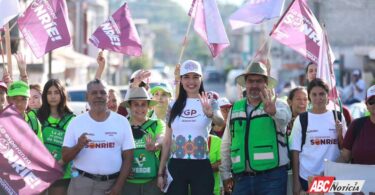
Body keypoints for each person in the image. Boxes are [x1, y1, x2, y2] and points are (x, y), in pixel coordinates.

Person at [220, 62, 291, 195]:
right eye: (250, 81)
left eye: (259, 81)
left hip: (272, 178)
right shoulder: (235, 108)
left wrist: (274, 112)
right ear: (245, 84)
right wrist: (225, 173)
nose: (254, 85)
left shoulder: (279, 104)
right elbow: (227, 143)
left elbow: (285, 121)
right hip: (241, 179)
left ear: (266, 84)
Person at [157, 60, 225, 194]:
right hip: (176, 164)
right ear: (181, 80)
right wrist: (160, 172)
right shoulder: (173, 105)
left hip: (201, 165)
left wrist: (211, 114)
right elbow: (167, 141)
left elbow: (221, 122)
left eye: (195, 77)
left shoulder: (210, 101)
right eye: (186, 77)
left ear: (201, 78)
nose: (191, 81)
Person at [62, 79, 135, 195]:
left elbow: (129, 157)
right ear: (87, 96)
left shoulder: (122, 122)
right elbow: (65, 158)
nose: (99, 96)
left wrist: (118, 187)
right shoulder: (76, 122)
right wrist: (78, 146)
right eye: (94, 93)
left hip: (111, 185)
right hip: (81, 183)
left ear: (107, 96)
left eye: (102, 92)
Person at [289, 79, 346, 194]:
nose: (318, 98)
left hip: (332, 176)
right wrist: (296, 183)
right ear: (309, 97)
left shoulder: (338, 117)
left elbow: (345, 150)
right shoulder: (302, 119)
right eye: (314, 94)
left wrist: (340, 134)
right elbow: (295, 152)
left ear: (327, 96)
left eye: (321, 94)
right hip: (308, 177)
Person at [122, 87, 165, 195]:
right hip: (127, 184)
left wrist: (155, 145)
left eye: (143, 104)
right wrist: (122, 169)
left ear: (148, 107)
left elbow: (162, 138)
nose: (140, 108)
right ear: (130, 106)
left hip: (152, 184)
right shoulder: (122, 125)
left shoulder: (157, 124)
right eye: (136, 104)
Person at [37, 79, 75, 195]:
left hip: (62, 174)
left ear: (62, 94)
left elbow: (74, 149)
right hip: (40, 173)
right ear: (44, 95)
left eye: (56, 92)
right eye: (49, 93)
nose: (53, 96)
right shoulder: (37, 116)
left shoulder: (72, 119)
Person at [338, 85, 375, 164]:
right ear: (367, 106)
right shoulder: (356, 125)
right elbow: (345, 157)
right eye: (372, 102)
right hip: (359, 176)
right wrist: (328, 170)